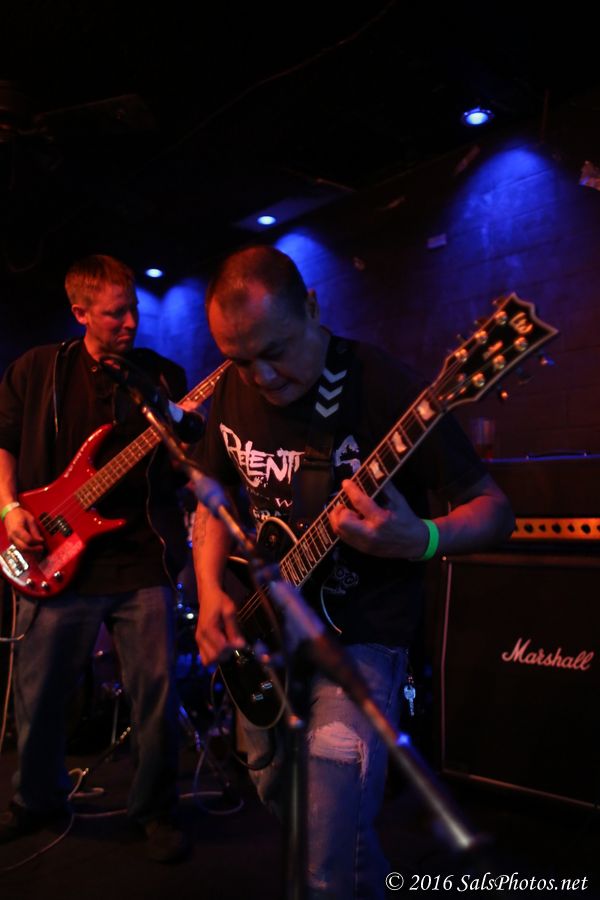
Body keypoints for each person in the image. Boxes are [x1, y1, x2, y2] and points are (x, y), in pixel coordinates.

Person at [193, 245, 515, 898]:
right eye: (239, 360)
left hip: (360, 640)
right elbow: (212, 498)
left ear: (312, 308)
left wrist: (421, 538)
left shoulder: (386, 388)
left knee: (324, 853)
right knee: (279, 791)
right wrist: (207, 593)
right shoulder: (232, 387)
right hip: (265, 633)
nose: (260, 377)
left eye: (275, 351)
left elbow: (496, 512)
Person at [0, 254, 191, 862]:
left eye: (133, 309)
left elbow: (188, 461)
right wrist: (8, 508)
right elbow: (3, 442)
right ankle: (36, 800)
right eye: (115, 314)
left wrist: (189, 435)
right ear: (80, 312)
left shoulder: (161, 377)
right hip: (55, 551)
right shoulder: (37, 370)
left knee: (156, 693)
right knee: (39, 693)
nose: (131, 322)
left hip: (142, 557)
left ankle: (155, 810)